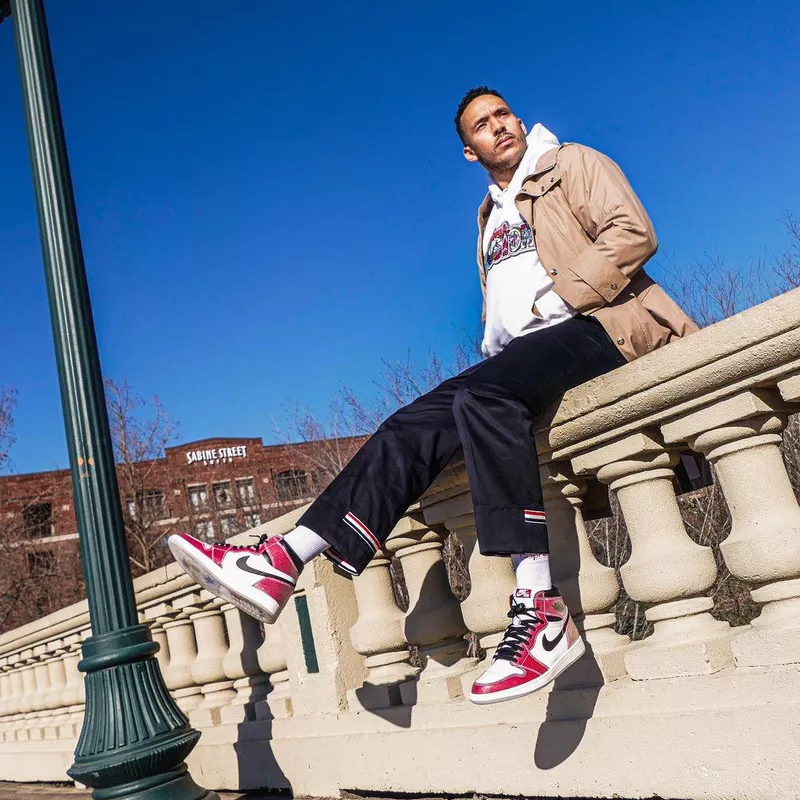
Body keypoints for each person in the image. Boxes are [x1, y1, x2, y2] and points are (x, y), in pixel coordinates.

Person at [168, 87, 697, 705]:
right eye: (482, 125)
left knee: (481, 401)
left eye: (503, 115)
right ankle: (285, 558)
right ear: (468, 151)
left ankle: (541, 610)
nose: (497, 127)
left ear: (519, 122)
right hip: (520, 359)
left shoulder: (570, 163)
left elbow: (633, 233)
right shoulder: (489, 215)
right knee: (404, 427)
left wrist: (560, 298)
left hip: (599, 327)